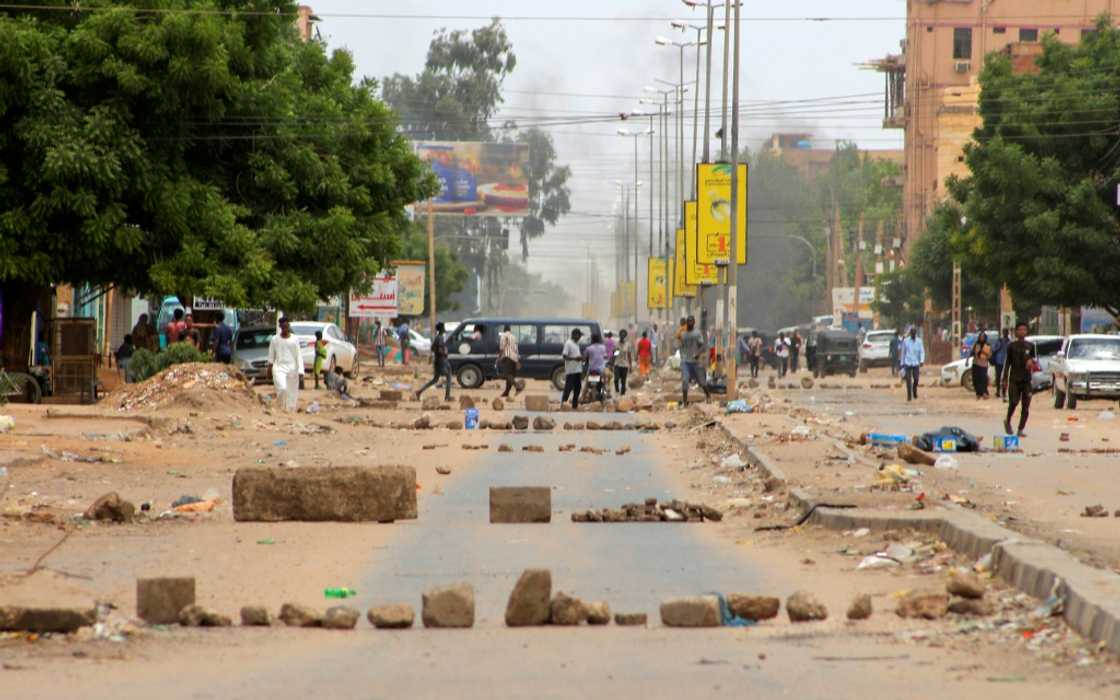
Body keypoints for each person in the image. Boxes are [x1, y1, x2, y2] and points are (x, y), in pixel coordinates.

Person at [1001, 322, 1036, 438]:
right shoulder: (1011, 346)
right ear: (1016, 332)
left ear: (1027, 332)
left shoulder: (1031, 346)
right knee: (1014, 402)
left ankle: (1020, 429)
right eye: (1020, 330)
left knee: (1026, 406)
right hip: (1014, 379)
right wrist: (1004, 379)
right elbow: (1007, 363)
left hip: (1026, 380)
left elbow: (1034, 362)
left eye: (1024, 330)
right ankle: (1008, 420)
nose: (1022, 332)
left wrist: (1032, 363)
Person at [268, 317, 304, 412]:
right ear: (280, 327)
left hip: (293, 369)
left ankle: (290, 411)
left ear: (288, 326)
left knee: (292, 393)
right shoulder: (274, 339)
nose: (285, 328)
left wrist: (301, 371)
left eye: (286, 326)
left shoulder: (295, 339)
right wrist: (269, 368)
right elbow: (271, 355)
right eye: (283, 327)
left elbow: (299, 355)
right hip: (279, 368)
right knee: (282, 388)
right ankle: (281, 408)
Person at [416, 321, 452, 401]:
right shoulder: (440, 338)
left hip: (437, 361)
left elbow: (432, 348)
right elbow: (439, 350)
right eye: (443, 327)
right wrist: (444, 352)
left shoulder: (437, 337)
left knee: (435, 380)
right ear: (441, 329)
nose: (444, 329)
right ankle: (447, 396)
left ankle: (419, 391)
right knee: (449, 376)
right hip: (441, 361)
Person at [679, 316, 710, 406]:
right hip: (685, 362)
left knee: (702, 382)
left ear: (694, 322)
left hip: (695, 362)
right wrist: (681, 357)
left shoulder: (697, 333)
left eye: (691, 321)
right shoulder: (683, 334)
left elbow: (702, 347)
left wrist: (698, 354)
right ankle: (685, 402)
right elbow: (681, 346)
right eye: (688, 321)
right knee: (685, 381)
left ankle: (708, 396)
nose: (690, 323)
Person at [560, 328, 585, 409]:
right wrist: (575, 359)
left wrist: (581, 358)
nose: (580, 337)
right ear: (574, 335)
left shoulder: (576, 344)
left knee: (578, 388)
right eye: (579, 335)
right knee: (568, 388)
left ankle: (575, 405)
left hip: (578, 369)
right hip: (571, 370)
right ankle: (563, 404)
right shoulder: (568, 343)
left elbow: (576, 355)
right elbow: (564, 356)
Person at [900, 327, 925, 402]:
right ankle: (909, 396)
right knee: (908, 380)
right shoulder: (906, 341)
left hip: (916, 363)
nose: (913, 335)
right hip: (907, 363)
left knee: (916, 379)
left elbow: (922, 351)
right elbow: (903, 353)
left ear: (916, 334)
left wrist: (922, 360)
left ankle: (914, 390)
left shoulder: (919, 341)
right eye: (912, 333)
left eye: (914, 333)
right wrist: (902, 363)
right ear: (910, 334)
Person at [497, 324, 521, 398]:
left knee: (507, 375)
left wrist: (499, 357)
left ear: (504, 330)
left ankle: (517, 386)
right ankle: (506, 392)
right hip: (514, 357)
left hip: (508, 357)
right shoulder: (513, 336)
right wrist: (517, 360)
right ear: (510, 330)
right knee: (510, 375)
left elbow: (502, 347)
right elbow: (516, 348)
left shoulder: (504, 336)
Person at [971, 331, 992, 399]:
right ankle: (978, 393)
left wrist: (985, 353)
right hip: (976, 363)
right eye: (980, 337)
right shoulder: (976, 344)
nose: (981, 338)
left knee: (983, 379)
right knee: (976, 379)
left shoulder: (987, 345)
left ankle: (984, 393)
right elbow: (972, 352)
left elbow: (990, 355)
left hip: (983, 364)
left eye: (983, 337)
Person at [991, 328, 1010, 399]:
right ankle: (998, 391)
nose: (1005, 334)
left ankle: (1004, 392)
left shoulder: (1009, 342)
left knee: (1005, 377)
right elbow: (993, 349)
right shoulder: (999, 341)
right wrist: (999, 345)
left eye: (1006, 332)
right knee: (998, 377)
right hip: (998, 361)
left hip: (1006, 361)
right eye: (1004, 332)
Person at [614, 329, 632, 395]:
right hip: (617, 364)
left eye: (623, 335)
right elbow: (615, 354)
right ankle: (617, 391)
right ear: (619, 335)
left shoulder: (627, 345)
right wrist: (616, 351)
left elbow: (629, 356)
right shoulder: (616, 344)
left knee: (623, 381)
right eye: (621, 335)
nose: (622, 336)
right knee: (616, 379)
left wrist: (630, 366)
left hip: (624, 365)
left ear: (625, 336)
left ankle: (622, 395)